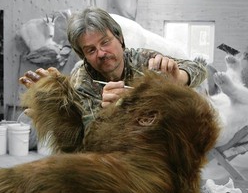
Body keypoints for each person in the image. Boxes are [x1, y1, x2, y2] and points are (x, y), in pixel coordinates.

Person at [19, 7, 207, 130]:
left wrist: (179, 77)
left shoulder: (140, 58)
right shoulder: (81, 81)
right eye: (91, 50)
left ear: (120, 39)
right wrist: (108, 112)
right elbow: (85, 140)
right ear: (83, 56)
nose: (101, 53)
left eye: (105, 42)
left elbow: (198, 68)